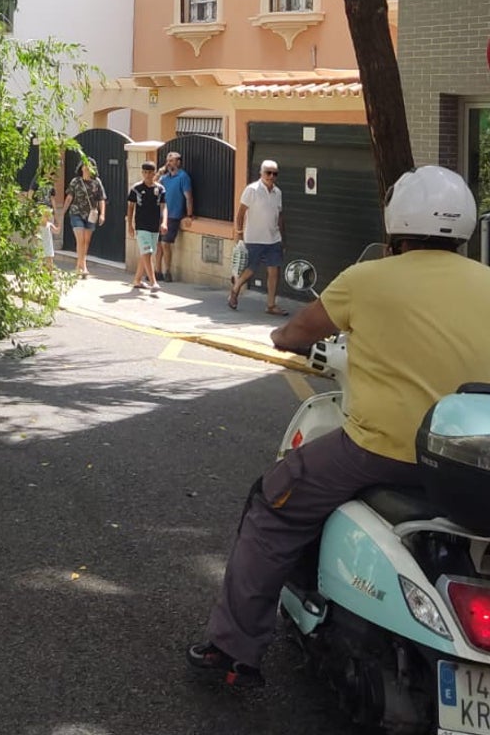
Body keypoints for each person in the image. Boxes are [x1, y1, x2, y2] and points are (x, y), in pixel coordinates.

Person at [187, 165, 490, 689]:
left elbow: (296, 332)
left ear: (398, 222)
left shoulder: (367, 279)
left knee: (273, 505)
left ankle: (232, 649)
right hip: (471, 458)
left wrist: (283, 335)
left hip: (381, 449)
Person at [228, 160, 287, 316]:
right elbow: (240, 213)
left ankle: (271, 305)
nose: (271, 176)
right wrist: (239, 233)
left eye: (275, 173)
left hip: (273, 238)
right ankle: (235, 289)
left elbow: (279, 216)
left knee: (274, 272)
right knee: (250, 270)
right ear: (261, 173)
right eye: (268, 172)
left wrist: (282, 238)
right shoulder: (251, 190)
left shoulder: (278, 192)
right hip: (254, 238)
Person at [59, 157, 107, 278]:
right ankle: (83, 265)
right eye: (85, 165)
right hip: (76, 213)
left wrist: (102, 214)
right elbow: (69, 197)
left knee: (86, 240)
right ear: (81, 167)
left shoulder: (97, 182)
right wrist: (63, 211)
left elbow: (101, 199)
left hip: (91, 215)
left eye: (89, 165)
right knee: (80, 239)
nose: (86, 167)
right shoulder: (75, 181)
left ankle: (78, 266)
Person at [126, 161, 167, 291]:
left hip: (154, 226)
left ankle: (137, 280)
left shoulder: (160, 189)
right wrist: (130, 226)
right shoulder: (136, 189)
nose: (148, 175)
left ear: (154, 173)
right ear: (142, 173)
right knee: (147, 251)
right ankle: (153, 282)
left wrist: (164, 222)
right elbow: (131, 207)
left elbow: (164, 207)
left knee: (147, 254)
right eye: (145, 172)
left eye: (150, 172)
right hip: (141, 226)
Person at [155, 151, 194, 282]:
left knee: (166, 243)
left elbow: (188, 197)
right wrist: (160, 172)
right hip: (161, 214)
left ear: (178, 162)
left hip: (173, 215)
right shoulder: (165, 178)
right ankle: (157, 271)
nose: (169, 163)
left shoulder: (183, 177)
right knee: (159, 244)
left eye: (172, 160)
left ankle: (168, 272)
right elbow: (152, 183)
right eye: (168, 160)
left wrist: (189, 215)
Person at [28, 178, 58, 271]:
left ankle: (45, 267)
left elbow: (52, 199)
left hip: (47, 210)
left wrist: (55, 214)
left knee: (45, 236)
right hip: (39, 210)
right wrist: (30, 210)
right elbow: (30, 195)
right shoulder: (36, 180)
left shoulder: (50, 182)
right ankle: (41, 265)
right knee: (40, 237)